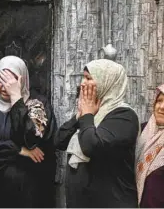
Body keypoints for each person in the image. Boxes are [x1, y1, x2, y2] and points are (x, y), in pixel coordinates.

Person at [54, 59, 139, 208]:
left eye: (88, 78)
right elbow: (59, 141)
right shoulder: (90, 113)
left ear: (106, 81)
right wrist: (79, 116)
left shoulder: (125, 116)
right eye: (83, 77)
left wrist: (87, 115)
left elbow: (91, 146)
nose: (82, 83)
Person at [0, 55, 57, 208]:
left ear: (22, 79)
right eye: (0, 79)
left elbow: (32, 140)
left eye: (12, 80)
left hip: (27, 189)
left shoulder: (37, 105)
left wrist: (16, 98)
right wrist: (17, 150)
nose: (5, 86)